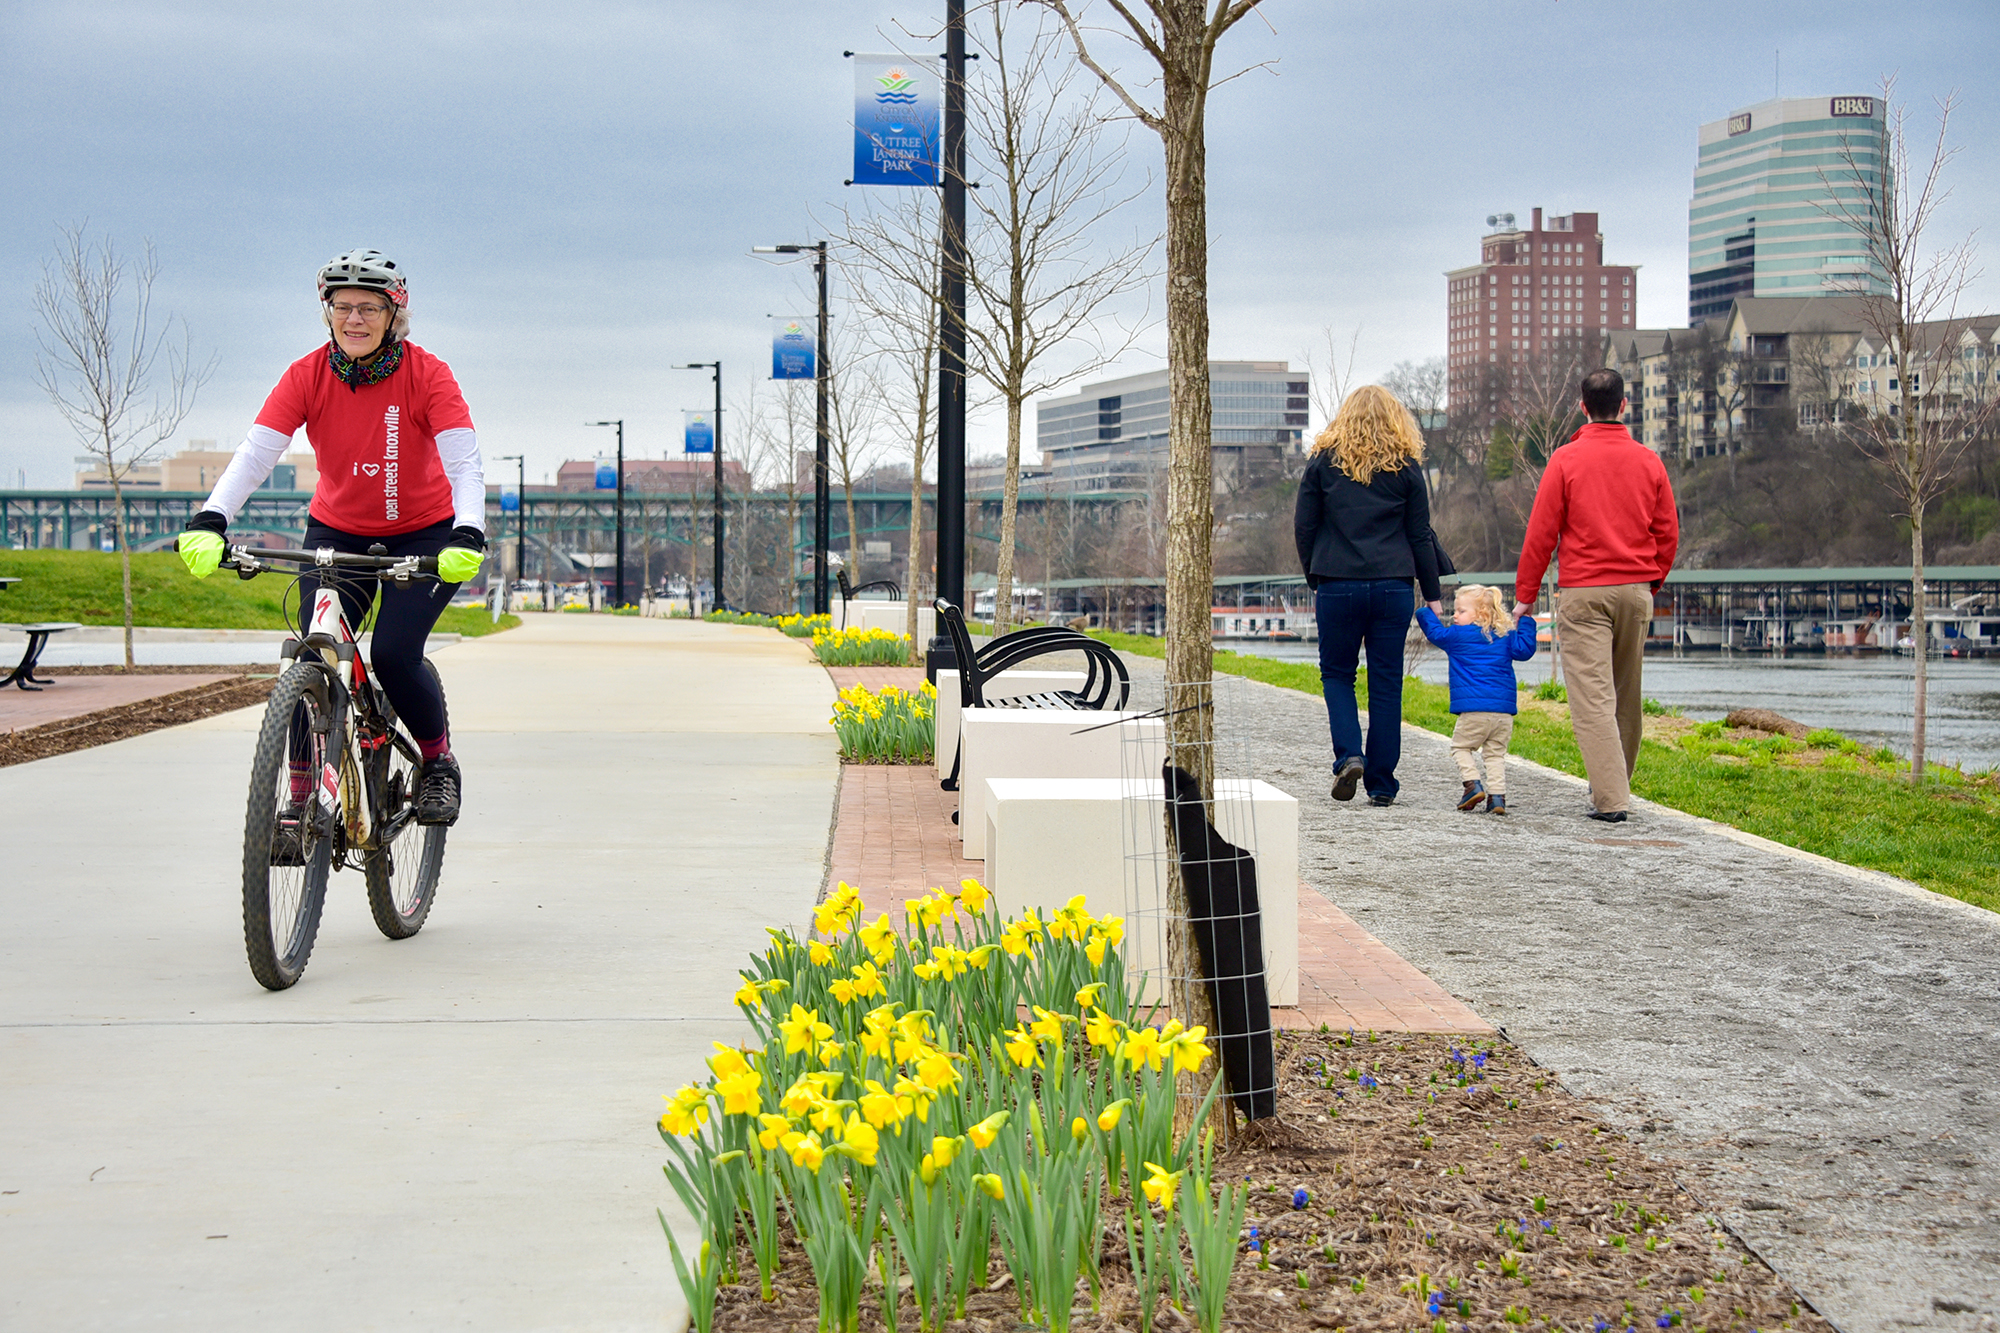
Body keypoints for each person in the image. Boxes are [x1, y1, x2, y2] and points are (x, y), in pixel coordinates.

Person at [176, 249, 486, 830]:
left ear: (394, 315)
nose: (354, 319)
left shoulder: (429, 374)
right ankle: (300, 801)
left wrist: (468, 530)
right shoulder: (306, 374)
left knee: (393, 654)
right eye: (342, 307)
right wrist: (212, 516)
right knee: (313, 655)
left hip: (425, 535)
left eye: (369, 307)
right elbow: (257, 453)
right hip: (337, 533)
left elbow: (463, 463)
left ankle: (439, 763)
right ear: (328, 313)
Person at [1514, 368, 1678, 824]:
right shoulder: (1649, 461)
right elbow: (1667, 532)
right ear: (1624, 405)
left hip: (1585, 591)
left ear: (1583, 407)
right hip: (1636, 591)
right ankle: (1615, 782)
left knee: (1593, 700)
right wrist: (1651, 582)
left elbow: (1541, 533)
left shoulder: (1565, 460)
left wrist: (1526, 595)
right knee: (1626, 695)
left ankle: (1611, 799)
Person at [1294, 384, 1443, 807]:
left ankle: (1349, 756)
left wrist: (1315, 575)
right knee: (1387, 683)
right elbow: (1420, 535)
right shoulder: (1407, 468)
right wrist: (1433, 595)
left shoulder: (1322, 464)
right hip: (1393, 585)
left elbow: (1304, 526)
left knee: (1337, 674)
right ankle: (1382, 784)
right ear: (1396, 420)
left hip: (1337, 581)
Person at [1416, 583, 1536, 815]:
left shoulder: (1457, 636)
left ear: (1481, 614)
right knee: (1495, 754)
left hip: (1474, 710)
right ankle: (1497, 797)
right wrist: (1527, 621)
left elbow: (1434, 633)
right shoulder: (1505, 635)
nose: (1455, 615)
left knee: (1460, 747)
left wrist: (1425, 611)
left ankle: (1472, 785)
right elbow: (1525, 650)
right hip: (1503, 713)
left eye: (1461, 611)